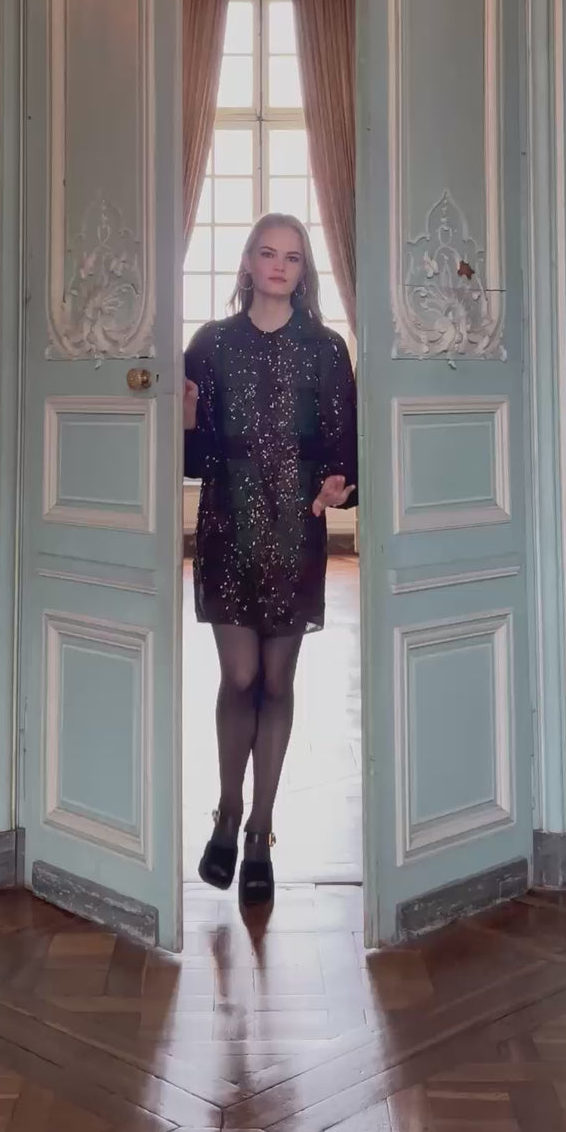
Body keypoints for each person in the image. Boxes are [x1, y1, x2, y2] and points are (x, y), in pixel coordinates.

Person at [184, 213, 357, 907]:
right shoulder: (209, 344)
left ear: (303, 270)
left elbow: (344, 450)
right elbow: (193, 459)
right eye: (267, 253)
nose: (279, 265)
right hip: (227, 524)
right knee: (241, 675)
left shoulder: (326, 350)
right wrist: (186, 418)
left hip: (294, 528)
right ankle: (227, 812)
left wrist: (340, 485)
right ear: (249, 264)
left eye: (292, 256)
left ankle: (260, 830)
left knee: (278, 682)